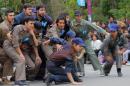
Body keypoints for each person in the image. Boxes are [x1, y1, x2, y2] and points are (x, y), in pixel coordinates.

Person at [3, 16, 41, 85]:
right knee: (20, 59)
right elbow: (15, 44)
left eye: (33, 24)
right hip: (9, 45)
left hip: (17, 47)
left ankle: (21, 79)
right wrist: (20, 54)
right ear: (25, 23)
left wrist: (33, 34)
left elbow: (35, 44)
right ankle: (18, 80)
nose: (32, 25)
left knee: (22, 60)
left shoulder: (29, 31)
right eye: (30, 23)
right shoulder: (18, 28)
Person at [71, 10, 107, 75]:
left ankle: (101, 69)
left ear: (81, 16)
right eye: (76, 16)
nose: (78, 17)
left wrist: (105, 32)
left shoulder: (86, 23)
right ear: (75, 17)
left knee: (91, 53)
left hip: (86, 39)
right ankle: (82, 71)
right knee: (79, 55)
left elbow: (96, 27)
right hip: (78, 40)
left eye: (79, 16)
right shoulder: (72, 23)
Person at [0, 9, 15, 84]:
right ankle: (5, 80)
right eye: (10, 15)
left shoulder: (10, 23)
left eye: (13, 15)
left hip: (4, 45)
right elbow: (9, 41)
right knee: (8, 58)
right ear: (6, 17)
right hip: (2, 47)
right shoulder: (4, 27)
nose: (12, 17)